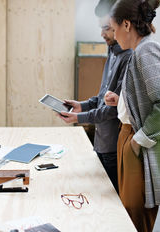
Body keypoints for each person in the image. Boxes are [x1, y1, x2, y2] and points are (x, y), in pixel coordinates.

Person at [104, 0, 160, 231]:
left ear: (126, 25)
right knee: (128, 213)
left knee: (135, 218)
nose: (113, 35)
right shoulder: (138, 51)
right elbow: (146, 95)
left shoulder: (148, 50)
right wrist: (121, 100)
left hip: (136, 141)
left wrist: (138, 141)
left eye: (113, 29)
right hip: (127, 136)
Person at [58, 0, 132, 194]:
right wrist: (81, 105)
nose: (103, 34)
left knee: (112, 204)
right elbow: (103, 97)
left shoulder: (128, 58)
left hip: (113, 146)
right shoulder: (112, 52)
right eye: (102, 28)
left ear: (121, 25)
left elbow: (112, 109)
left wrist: (78, 118)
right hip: (101, 141)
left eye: (107, 28)